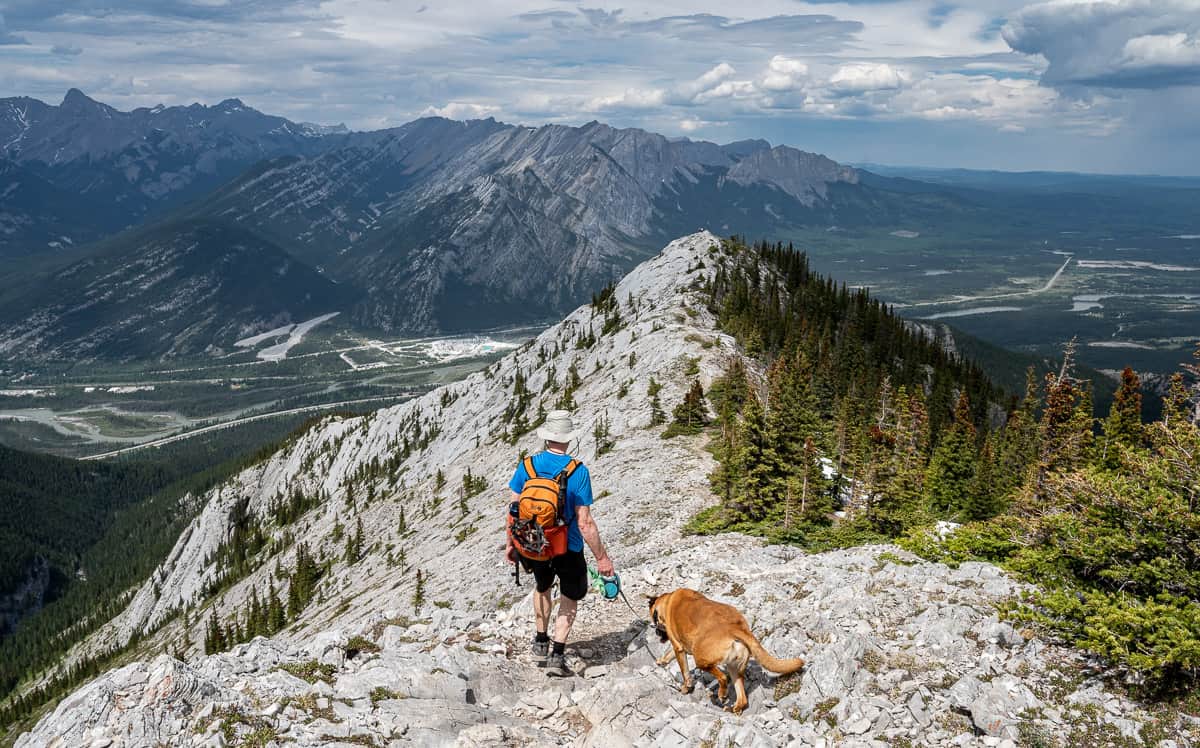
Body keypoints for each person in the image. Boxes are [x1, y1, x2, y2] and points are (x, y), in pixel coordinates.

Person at [505, 409, 615, 677]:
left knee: (542, 588)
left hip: (533, 544)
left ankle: (540, 640)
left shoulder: (527, 465)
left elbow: (513, 508)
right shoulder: (578, 471)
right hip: (567, 546)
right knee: (569, 596)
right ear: (568, 438)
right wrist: (602, 558)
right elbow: (585, 522)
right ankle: (557, 654)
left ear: (546, 437)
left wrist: (511, 542)